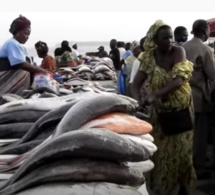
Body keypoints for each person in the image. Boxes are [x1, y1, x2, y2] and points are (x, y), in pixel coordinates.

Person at [132, 20, 196, 195]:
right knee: (159, 154)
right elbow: (136, 84)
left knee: (181, 153)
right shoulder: (149, 58)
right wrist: (139, 102)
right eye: (164, 38)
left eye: (170, 37)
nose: (169, 41)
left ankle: (182, 189)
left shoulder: (178, 51)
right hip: (159, 115)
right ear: (155, 40)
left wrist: (154, 95)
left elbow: (180, 79)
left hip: (180, 112)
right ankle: (162, 189)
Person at [182, 19, 215, 179]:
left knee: (186, 134)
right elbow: (212, 75)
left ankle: (185, 164)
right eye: (208, 30)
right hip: (200, 99)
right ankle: (198, 168)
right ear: (205, 31)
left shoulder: (182, 48)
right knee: (200, 136)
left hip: (183, 97)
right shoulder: (206, 50)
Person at [0, 15, 48, 97]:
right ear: (17, 32)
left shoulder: (18, 46)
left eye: (29, 34)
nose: (27, 37)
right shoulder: (12, 43)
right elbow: (21, 64)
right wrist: (42, 71)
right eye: (26, 33)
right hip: (7, 83)